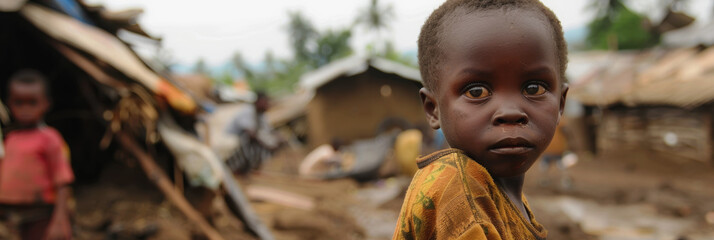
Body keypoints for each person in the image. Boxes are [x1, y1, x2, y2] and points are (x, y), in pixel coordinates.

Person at [393, 0, 569, 239]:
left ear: (560, 103)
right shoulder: (457, 186)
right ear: (433, 109)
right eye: (477, 92)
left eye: (534, 88)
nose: (510, 112)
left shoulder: (497, 193)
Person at [0, 69, 74, 240]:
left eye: (32, 103)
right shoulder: (10, 139)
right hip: (12, 217)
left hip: (42, 216)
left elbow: (63, 183)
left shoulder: (50, 138)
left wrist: (60, 220)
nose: (25, 109)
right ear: (9, 103)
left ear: (46, 103)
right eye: (19, 102)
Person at [225, 91, 280, 174]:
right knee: (252, 142)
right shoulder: (247, 111)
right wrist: (268, 145)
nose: (267, 105)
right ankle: (238, 169)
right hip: (234, 141)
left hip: (247, 142)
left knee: (265, 144)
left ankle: (251, 168)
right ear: (258, 102)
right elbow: (251, 134)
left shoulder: (261, 115)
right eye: (265, 102)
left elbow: (268, 131)